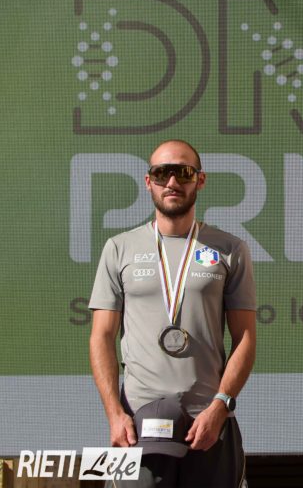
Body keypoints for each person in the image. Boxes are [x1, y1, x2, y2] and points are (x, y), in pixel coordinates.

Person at [89, 140, 257, 487]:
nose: (172, 182)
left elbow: (245, 338)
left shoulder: (230, 249)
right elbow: (101, 337)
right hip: (137, 422)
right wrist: (114, 414)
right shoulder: (119, 248)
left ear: (200, 180)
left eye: (183, 172)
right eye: (161, 173)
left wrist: (220, 406)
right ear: (148, 181)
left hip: (208, 421)